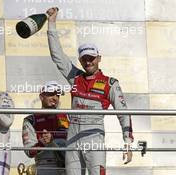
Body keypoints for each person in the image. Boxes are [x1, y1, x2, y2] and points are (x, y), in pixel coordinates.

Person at [46, 7, 134, 175]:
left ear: (98, 59)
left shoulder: (110, 83)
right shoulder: (75, 77)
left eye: (91, 58)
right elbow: (57, 55)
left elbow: (124, 113)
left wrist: (128, 143)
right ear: (80, 60)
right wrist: (51, 23)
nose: (88, 62)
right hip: (72, 139)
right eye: (84, 59)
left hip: (95, 140)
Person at [22, 81, 69, 175]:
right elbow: (29, 152)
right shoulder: (31, 120)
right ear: (41, 97)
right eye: (51, 94)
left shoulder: (68, 116)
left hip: (68, 164)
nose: (55, 98)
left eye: (57, 95)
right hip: (46, 166)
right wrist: (42, 143)